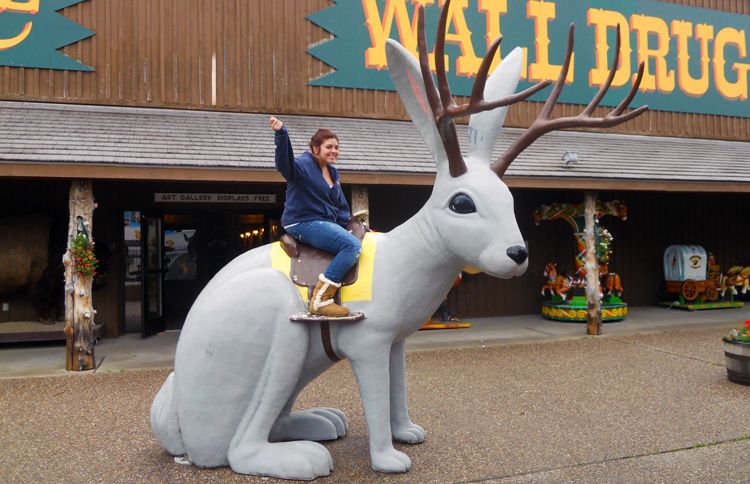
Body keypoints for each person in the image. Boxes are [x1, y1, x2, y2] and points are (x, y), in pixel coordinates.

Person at [270, 116, 361, 317]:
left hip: (323, 223)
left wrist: (353, 223)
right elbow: (285, 165)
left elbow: (341, 209)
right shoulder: (302, 165)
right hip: (302, 222)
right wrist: (281, 135)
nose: (334, 151)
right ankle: (320, 299)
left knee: (358, 237)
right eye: (329, 147)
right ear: (315, 149)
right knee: (351, 246)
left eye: (336, 147)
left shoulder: (333, 174)